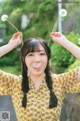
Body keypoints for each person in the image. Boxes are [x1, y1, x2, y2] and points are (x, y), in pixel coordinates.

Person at [0, 33, 80, 121]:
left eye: (42, 54)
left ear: (48, 57)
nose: (37, 60)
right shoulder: (14, 83)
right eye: (30, 55)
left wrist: (65, 43)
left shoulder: (60, 81)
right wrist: (9, 46)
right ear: (23, 59)